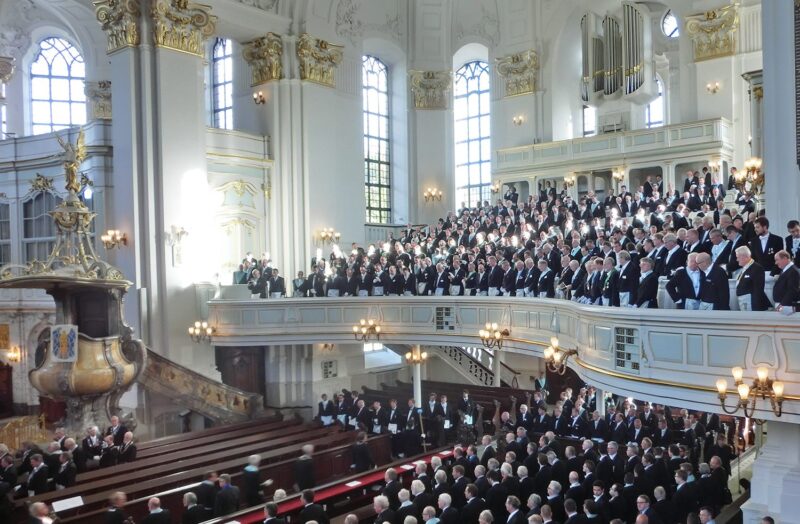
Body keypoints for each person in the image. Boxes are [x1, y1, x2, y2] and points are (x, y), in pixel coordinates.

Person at [773, 250, 800, 314]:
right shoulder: (786, 270)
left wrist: (781, 306)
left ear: (785, 259)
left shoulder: (793, 271)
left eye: (777, 260)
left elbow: (792, 290)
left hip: (787, 307)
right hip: (783, 306)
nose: (776, 263)